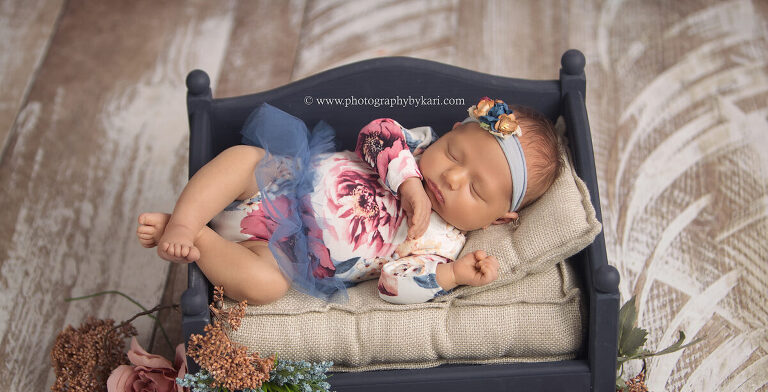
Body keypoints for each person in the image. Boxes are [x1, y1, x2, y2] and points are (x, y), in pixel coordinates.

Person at [137, 98, 561, 305]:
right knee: (245, 160)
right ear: (450, 132)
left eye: (475, 191)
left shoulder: (444, 246)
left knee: (266, 286)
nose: (452, 177)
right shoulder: (416, 147)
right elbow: (375, 131)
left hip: (284, 252)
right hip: (283, 183)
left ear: (498, 219)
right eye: (453, 152)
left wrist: (451, 275)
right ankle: (185, 221)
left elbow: (392, 284)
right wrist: (407, 182)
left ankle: (199, 240)